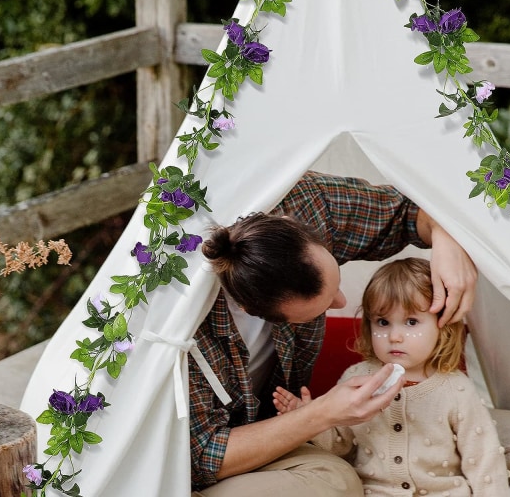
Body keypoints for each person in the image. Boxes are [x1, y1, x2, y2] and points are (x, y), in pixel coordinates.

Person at [190, 171, 477, 496]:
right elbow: (199, 457)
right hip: (193, 466)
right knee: (336, 481)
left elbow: (409, 210)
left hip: (277, 443)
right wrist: (320, 414)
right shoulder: (184, 330)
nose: (342, 302)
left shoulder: (303, 200)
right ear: (250, 308)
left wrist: (446, 237)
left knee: (334, 477)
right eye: (323, 306)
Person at [273, 257, 510, 496]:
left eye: (411, 322)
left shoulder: (457, 389)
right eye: (383, 322)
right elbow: (340, 445)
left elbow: (483, 461)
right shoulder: (356, 378)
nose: (395, 336)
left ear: (443, 325)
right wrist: (307, 418)